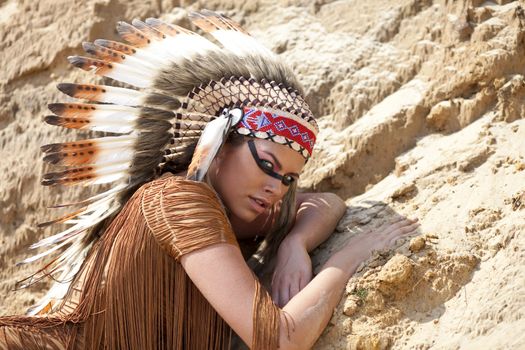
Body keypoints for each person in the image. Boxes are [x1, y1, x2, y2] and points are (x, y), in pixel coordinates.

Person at [0, 10, 418, 350]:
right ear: (219, 146)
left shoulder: (242, 208)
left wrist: (295, 245)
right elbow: (279, 339)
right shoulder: (178, 200)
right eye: (268, 165)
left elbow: (326, 203)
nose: (278, 187)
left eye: (290, 177)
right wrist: (350, 259)